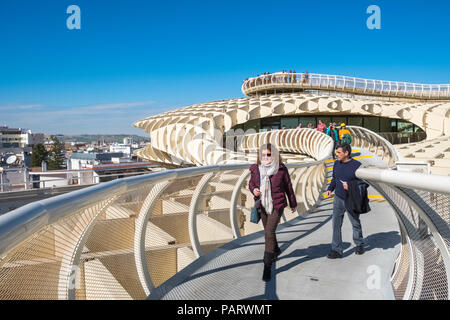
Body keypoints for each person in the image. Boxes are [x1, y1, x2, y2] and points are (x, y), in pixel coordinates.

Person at [249, 144, 297, 281]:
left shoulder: (281, 169)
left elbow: (288, 186)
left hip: (277, 204)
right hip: (262, 204)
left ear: (274, 155)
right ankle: (275, 250)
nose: (265, 157)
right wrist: (254, 190)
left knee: (269, 232)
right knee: (268, 231)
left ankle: (267, 265)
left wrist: (293, 203)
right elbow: (251, 183)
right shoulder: (255, 169)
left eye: (268, 154)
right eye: (263, 154)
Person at [325, 143, 365, 258]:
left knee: (355, 223)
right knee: (336, 224)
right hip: (338, 198)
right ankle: (336, 250)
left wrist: (351, 186)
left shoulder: (357, 165)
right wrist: (330, 189)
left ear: (346, 153)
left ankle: (359, 244)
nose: (336, 154)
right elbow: (334, 178)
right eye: (336, 152)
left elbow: (363, 183)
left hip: (351, 198)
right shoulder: (336, 163)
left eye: (339, 152)